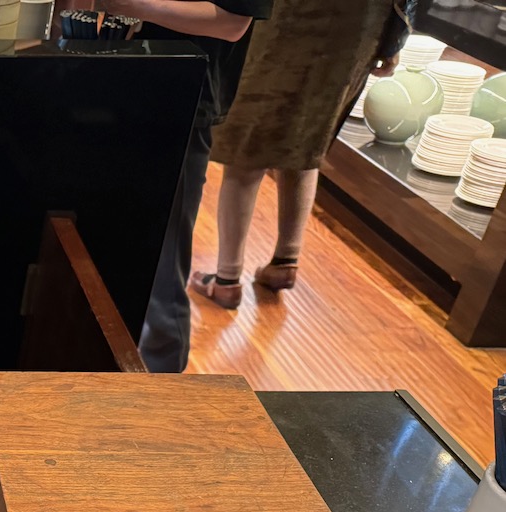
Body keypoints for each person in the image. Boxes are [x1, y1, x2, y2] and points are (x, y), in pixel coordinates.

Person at [191, 2, 414, 309]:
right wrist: (395, 36)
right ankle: (286, 260)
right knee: (308, 135)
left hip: (282, 16)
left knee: (247, 145)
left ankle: (227, 279)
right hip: (360, 22)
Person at [92, 0, 273, 373]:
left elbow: (232, 22)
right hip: (102, 73)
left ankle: (161, 397)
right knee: (97, 249)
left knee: (161, 265)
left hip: (177, 94)